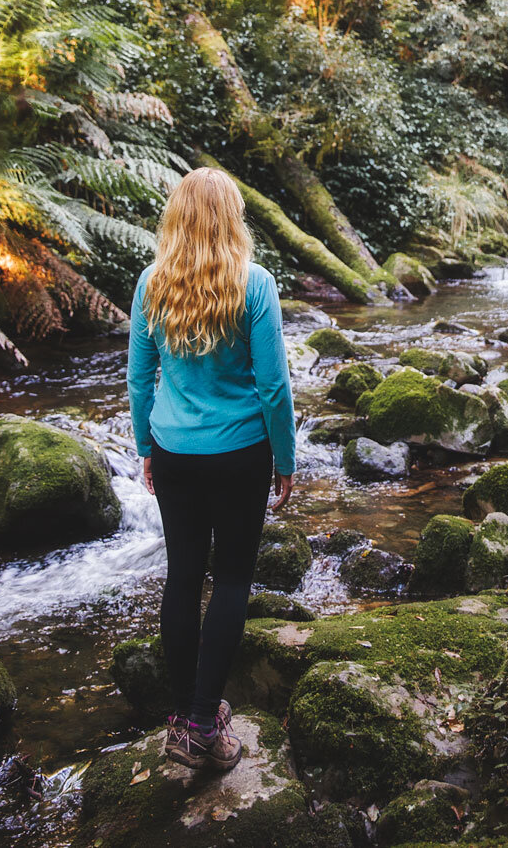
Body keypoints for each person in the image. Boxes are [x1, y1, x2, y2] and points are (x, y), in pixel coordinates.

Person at [127, 166, 296, 772]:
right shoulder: (254, 284)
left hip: (174, 453)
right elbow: (274, 387)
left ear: (176, 218)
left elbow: (138, 378)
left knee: (182, 577)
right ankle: (204, 722)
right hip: (241, 453)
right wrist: (286, 457)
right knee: (229, 582)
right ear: (233, 218)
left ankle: (181, 721)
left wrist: (146, 444)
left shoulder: (153, 283)